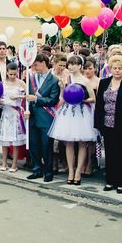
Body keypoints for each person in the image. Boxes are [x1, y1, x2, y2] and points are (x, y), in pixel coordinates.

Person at [52, 56, 99, 186]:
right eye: (70, 64)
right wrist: (58, 107)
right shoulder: (66, 79)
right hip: (68, 112)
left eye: (74, 64)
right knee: (69, 143)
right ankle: (71, 171)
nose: (71, 66)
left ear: (80, 66)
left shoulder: (85, 81)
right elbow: (62, 96)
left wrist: (82, 100)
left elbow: (93, 98)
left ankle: (78, 171)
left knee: (82, 143)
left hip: (82, 112)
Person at [94, 55, 122, 192]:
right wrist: (97, 123)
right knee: (110, 153)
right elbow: (99, 103)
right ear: (110, 69)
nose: (117, 70)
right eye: (115, 68)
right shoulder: (104, 82)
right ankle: (110, 180)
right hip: (107, 123)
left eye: (120, 68)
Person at [24, 54, 61, 181]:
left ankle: (48, 172)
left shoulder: (54, 80)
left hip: (46, 117)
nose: (34, 67)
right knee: (33, 144)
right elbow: (27, 97)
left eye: (36, 64)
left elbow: (53, 100)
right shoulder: (31, 78)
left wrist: (36, 99)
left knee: (46, 145)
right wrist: (26, 109)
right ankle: (36, 169)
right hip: (32, 116)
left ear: (44, 63)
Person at [0, 62, 26, 172]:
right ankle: (4, 162)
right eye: (11, 74)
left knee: (15, 141)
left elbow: (29, 96)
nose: (13, 76)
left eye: (15, 74)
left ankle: (14, 164)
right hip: (6, 112)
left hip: (16, 113)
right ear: (7, 73)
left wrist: (18, 96)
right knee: (5, 140)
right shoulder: (3, 83)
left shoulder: (21, 83)